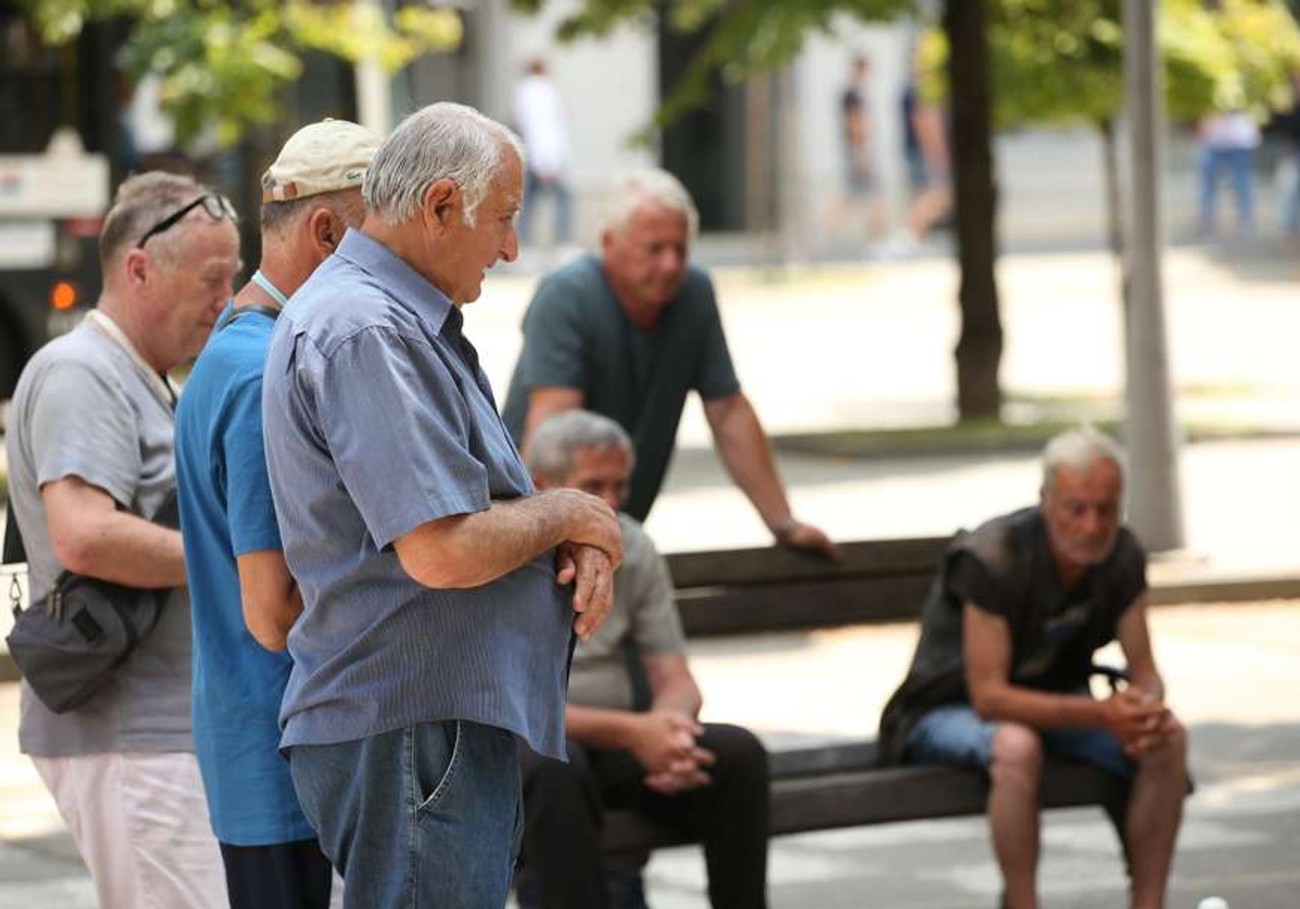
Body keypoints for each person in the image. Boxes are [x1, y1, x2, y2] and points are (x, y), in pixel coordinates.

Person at [259, 101, 623, 909]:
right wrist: (568, 514)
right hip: (413, 732)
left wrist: (564, 526)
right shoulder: (366, 329)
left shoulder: (387, 319)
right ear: (441, 206)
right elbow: (443, 547)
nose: (510, 246)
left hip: (421, 728)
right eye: (503, 218)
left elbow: (473, 507)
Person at [5, 170, 241, 908]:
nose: (226, 301)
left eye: (233, 278)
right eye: (212, 278)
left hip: (161, 733)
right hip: (131, 737)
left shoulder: (135, 376)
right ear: (139, 267)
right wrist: (244, 559)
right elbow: (84, 536)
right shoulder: (81, 372)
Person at [174, 119, 381, 909]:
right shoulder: (265, 367)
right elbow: (272, 612)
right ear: (327, 233)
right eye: (380, 247)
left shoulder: (234, 349)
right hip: (287, 755)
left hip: (263, 744)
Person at [877, 426, 1187, 909]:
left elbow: (1144, 668)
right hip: (945, 708)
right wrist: (1103, 715)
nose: (1091, 526)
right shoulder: (994, 557)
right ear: (1047, 501)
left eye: (1105, 509)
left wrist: (1143, 709)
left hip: (1057, 705)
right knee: (1016, 746)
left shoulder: (1122, 555)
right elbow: (990, 697)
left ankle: (1149, 903)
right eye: (1076, 509)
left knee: (1168, 738)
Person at [501, 167, 834, 556]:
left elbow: (728, 412)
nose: (671, 264)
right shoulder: (567, 295)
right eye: (654, 249)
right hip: (550, 536)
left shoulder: (694, 295)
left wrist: (783, 523)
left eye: (680, 249)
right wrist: (556, 542)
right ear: (610, 243)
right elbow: (554, 429)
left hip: (616, 532)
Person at [516, 409, 770, 909]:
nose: (610, 504)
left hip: (618, 743)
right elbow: (520, 709)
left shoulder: (631, 543)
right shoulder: (513, 553)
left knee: (739, 756)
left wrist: (668, 732)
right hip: (531, 747)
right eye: (594, 487)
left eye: (620, 486)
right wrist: (636, 733)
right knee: (555, 768)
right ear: (544, 486)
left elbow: (676, 677)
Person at [513, 57, 573, 249]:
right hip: (544, 158)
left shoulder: (523, 91)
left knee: (528, 201)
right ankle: (562, 242)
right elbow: (541, 128)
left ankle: (523, 244)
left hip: (531, 155)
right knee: (564, 198)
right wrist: (546, 163)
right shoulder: (541, 91)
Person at [830, 54, 885, 243]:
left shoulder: (855, 94)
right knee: (868, 196)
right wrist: (861, 154)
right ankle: (876, 240)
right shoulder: (852, 95)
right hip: (858, 151)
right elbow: (854, 126)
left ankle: (875, 238)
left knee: (858, 197)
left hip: (858, 151)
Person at [1197, 109, 1260, 236]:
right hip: (1216, 144)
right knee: (1209, 183)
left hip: (1238, 144)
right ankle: (1207, 217)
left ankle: (1245, 218)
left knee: (1242, 183)